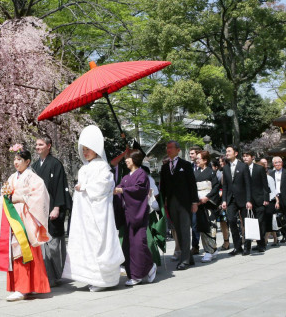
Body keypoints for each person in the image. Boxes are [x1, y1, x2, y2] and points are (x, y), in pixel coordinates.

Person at [63, 125, 124, 292]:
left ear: (96, 149)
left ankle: (104, 280)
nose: (85, 152)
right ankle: (89, 277)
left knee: (100, 242)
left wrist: (84, 187)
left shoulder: (103, 167)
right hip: (84, 214)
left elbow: (104, 186)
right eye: (83, 149)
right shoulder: (84, 168)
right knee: (86, 243)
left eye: (88, 149)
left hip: (98, 213)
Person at [0, 144, 51, 302]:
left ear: (28, 161)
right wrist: (6, 198)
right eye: (15, 159)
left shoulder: (33, 178)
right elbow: (6, 194)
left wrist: (21, 198)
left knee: (23, 250)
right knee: (15, 251)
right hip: (13, 217)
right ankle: (23, 287)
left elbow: (40, 197)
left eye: (19, 159)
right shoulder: (12, 177)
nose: (16, 162)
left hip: (24, 219)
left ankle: (24, 288)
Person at [31, 133, 72, 287]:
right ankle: (47, 275)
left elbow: (60, 187)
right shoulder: (34, 166)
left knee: (54, 244)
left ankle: (56, 275)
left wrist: (57, 208)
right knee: (42, 244)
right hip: (39, 209)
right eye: (36, 145)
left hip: (53, 207)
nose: (37, 147)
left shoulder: (56, 164)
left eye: (41, 145)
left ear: (49, 146)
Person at [113, 150, 157, 286]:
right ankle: (144, 268)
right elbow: (120, 187)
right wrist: (116, 190)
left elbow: (139, 190)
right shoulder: (126, 177)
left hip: (138, 214)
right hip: (128, 215)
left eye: (128, 158)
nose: (126, 160)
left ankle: (139, 274)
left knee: (138, 244)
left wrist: (123, 191)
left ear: (135, 159)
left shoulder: (142, 175)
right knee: (128, 245)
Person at [160, 140, 198, 270]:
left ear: (178, 150)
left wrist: (194, 202)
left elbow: (192, 184)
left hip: (185, 203)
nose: (168, 150)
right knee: (177, 230)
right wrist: (162, 201)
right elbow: (163, 187)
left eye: (171, 147)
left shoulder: (185, 165)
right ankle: (189, 257)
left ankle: (185, 259)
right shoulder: (165, 167)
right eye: (167, 147)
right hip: (171, 203)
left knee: (184, 230)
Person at [221, 145, 252, 256]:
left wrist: (249, 200)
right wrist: (224, 200)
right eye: (226, 151)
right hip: (230, 199)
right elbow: (225, 186)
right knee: (231, 221)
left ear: (236, 153)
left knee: (246, 223)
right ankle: (237, 246)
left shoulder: (243, 166)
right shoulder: (225, 167)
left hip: (243, 199)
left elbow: (248, 185)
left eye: (229, 151)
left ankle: (247, 247)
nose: (227, 153)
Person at [194, 150, 220, 262]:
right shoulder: (196, 172)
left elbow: (215, 187)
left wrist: (207, 197)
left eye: (199, 158)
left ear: (205, 160)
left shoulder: (211, 172)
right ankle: (210, 249)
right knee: (202, 226)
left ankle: (210, 251)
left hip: (209, 203)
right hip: (200, 202)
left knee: (211, 226)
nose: (197, 160)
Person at [241, 148, 269, 253]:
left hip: (259, 199)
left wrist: (266, 198)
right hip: (246, 201)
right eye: (243, 156)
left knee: (260, 223)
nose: (245, 158)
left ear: (252, 157)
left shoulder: (259, 168)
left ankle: (261, 244)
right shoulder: (242, 169)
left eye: (247, 156)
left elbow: (265, 185)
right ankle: (247, 247)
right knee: (247, 223)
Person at [258, 158, 279, 248]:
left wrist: (267, 199)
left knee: (268, 221)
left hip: (269, 202)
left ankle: (265, 240)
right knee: (267, 222)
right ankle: (275, 238)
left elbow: (274, 192)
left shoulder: (269, 178)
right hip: (261, 202)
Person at [188, 146, 201, 255]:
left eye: (192, 153)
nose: (190, 155)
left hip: (204, 199)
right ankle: (195, 246)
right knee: (194, 223)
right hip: (192, 199)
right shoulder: (189, 167)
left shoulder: (205, 167)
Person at [218, 156, 230, 250]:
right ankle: (226, 241)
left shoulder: (229, 171)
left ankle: (243, 239)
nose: (220, 163)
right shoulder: (219, 173)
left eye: (221, 162)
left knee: (238, 221)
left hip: (231, 199)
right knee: (223, 222)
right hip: (222, 201)